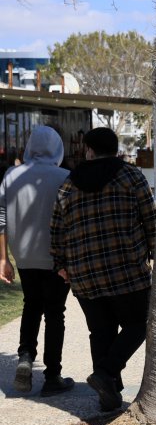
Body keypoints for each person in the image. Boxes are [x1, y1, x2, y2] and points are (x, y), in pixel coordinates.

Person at [50, 127, 156, 411]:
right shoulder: (131, 176)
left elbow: (57, 229)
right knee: (138, 324)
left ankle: (107, 396)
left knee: (100, 332)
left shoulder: (69, 184)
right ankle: (107, 374)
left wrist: (60, 263)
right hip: (127, 272)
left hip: (84, 274)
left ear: (89, 150)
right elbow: (150, 219)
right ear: (115, 149)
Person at [0, 126, 74, 396]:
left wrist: (2, 259)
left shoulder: (11, 175)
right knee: (55, 313)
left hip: (24, 256)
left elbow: (1, 220)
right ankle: (52, 375)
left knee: (31, 305)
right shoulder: (66, 176)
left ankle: (25, 358)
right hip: (58, 258)